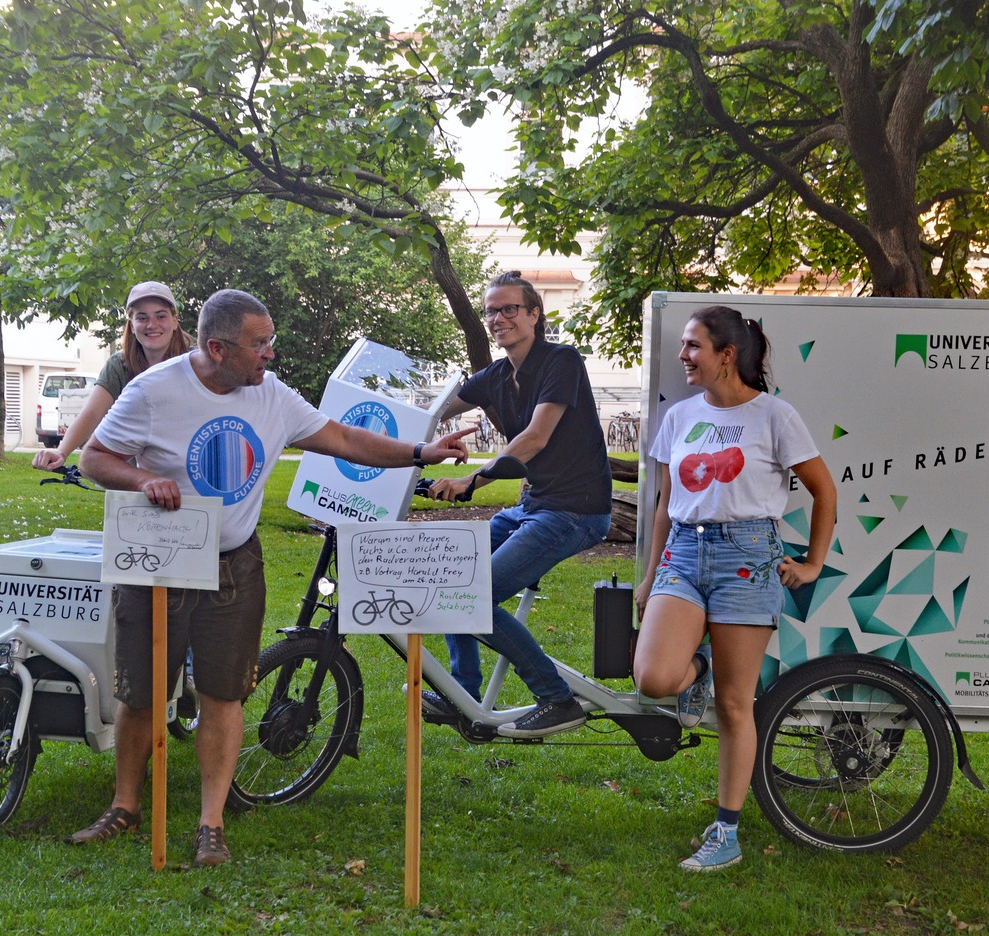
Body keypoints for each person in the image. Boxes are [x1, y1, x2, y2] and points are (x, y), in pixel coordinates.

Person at [71, 288, 472, 867]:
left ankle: (210, 825)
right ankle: (125, 806)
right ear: (218, 347)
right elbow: (93, 458)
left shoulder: (271, 395)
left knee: (224, 692)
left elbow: (343, 438)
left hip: (236, 565)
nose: (271, 355)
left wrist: (419, 451)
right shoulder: (153, 392)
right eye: (260, 344)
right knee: (143, 691)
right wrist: (141, 482)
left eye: (270, 341)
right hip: (162, 562)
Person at [633, 304, 836, 872]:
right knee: (653, 678)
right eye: (684, 347)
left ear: (728, 355)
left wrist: (814, 563)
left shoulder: (775, 416)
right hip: (683, 555)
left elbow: (824, 490)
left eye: (694, 346)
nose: (684, 357)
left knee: (733, 706)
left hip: (748, 559)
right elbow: (665, 504)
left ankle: (726, 832)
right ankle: (700, 665)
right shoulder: (680, 417)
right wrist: (651, 574)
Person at [427, 271, 612, 738]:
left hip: (575, 511)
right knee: (451, 577)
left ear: (534, 314)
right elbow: (433, 409)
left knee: (473, 597)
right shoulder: (495, 376)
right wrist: (413, 439)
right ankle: (461, 693)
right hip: (533, 507)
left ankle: (556, 698)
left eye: (510, 308)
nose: (498, 318)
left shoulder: (561, 361)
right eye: (492, 310)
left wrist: (475, 478)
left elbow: (535, 437)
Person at [33, 281, 192, 471]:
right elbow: (92, 413)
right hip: (134, 479)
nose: (152, 325)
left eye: (161, 316)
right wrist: (61, 452)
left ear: (175, 321)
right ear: (132, 326)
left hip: (188, 473)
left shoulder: (196, 362)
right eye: (142, 318)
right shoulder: (119, 365)